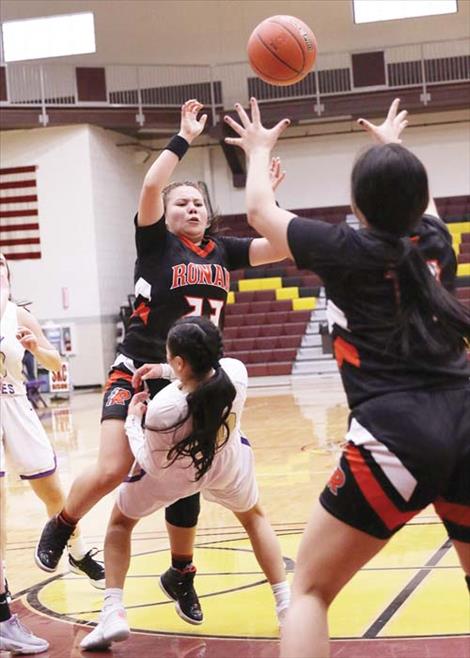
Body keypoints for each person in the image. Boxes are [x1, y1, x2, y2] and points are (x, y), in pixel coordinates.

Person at [224, 97, 470, 657]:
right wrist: (393, 148)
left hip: (397, 431)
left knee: (309, 588)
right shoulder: (436, 243)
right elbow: (421, 203)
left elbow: (261, 212)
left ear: (356, 201)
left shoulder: (344, 246)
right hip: (466, 416)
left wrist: (259, 149)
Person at [36, 99, 288, 623]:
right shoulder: (155, 245)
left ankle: (182, 573)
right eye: (182, 204)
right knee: (113, 468)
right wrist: (181, 138)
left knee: (189, 476)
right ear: (166, 217)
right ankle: (64, 521)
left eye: (198, 203)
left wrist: (269, 191)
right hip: (139, 365)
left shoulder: (223, 250)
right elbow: (152, 187)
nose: (191, 209)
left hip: (191, 379)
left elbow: (280, 248)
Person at [79, 316, 290, 651]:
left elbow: (151, 462)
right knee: (255, 519)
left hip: (173, 477)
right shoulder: (236, 373)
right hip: (226, 465)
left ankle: (113, 612)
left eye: (169, 359)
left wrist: (134, 420)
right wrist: (162, 371)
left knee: (120, 524)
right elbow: (205, 373)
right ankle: (286, 607)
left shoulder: (164, 408)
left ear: (179, 362)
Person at [0, 253, 105, 589]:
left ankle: (76, 551)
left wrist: (35, 349)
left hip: (15, 403)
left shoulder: (18, 315)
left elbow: (56, 364)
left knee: (52, 492)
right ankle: (1, 584)